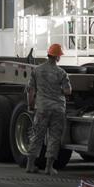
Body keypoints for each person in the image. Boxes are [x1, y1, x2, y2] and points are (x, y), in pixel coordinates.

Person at [24, 43, 72, 174]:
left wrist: (31, 105)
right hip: (57, 109)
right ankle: (49, 167)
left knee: (37, 135)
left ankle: (30, 165)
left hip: (42, 108)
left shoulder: (37, 70)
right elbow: (68, 91)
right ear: (57, 57)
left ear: (48, 54)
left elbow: (31, 90)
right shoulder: (61, 73)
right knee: (54, 137)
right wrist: (60, 90)